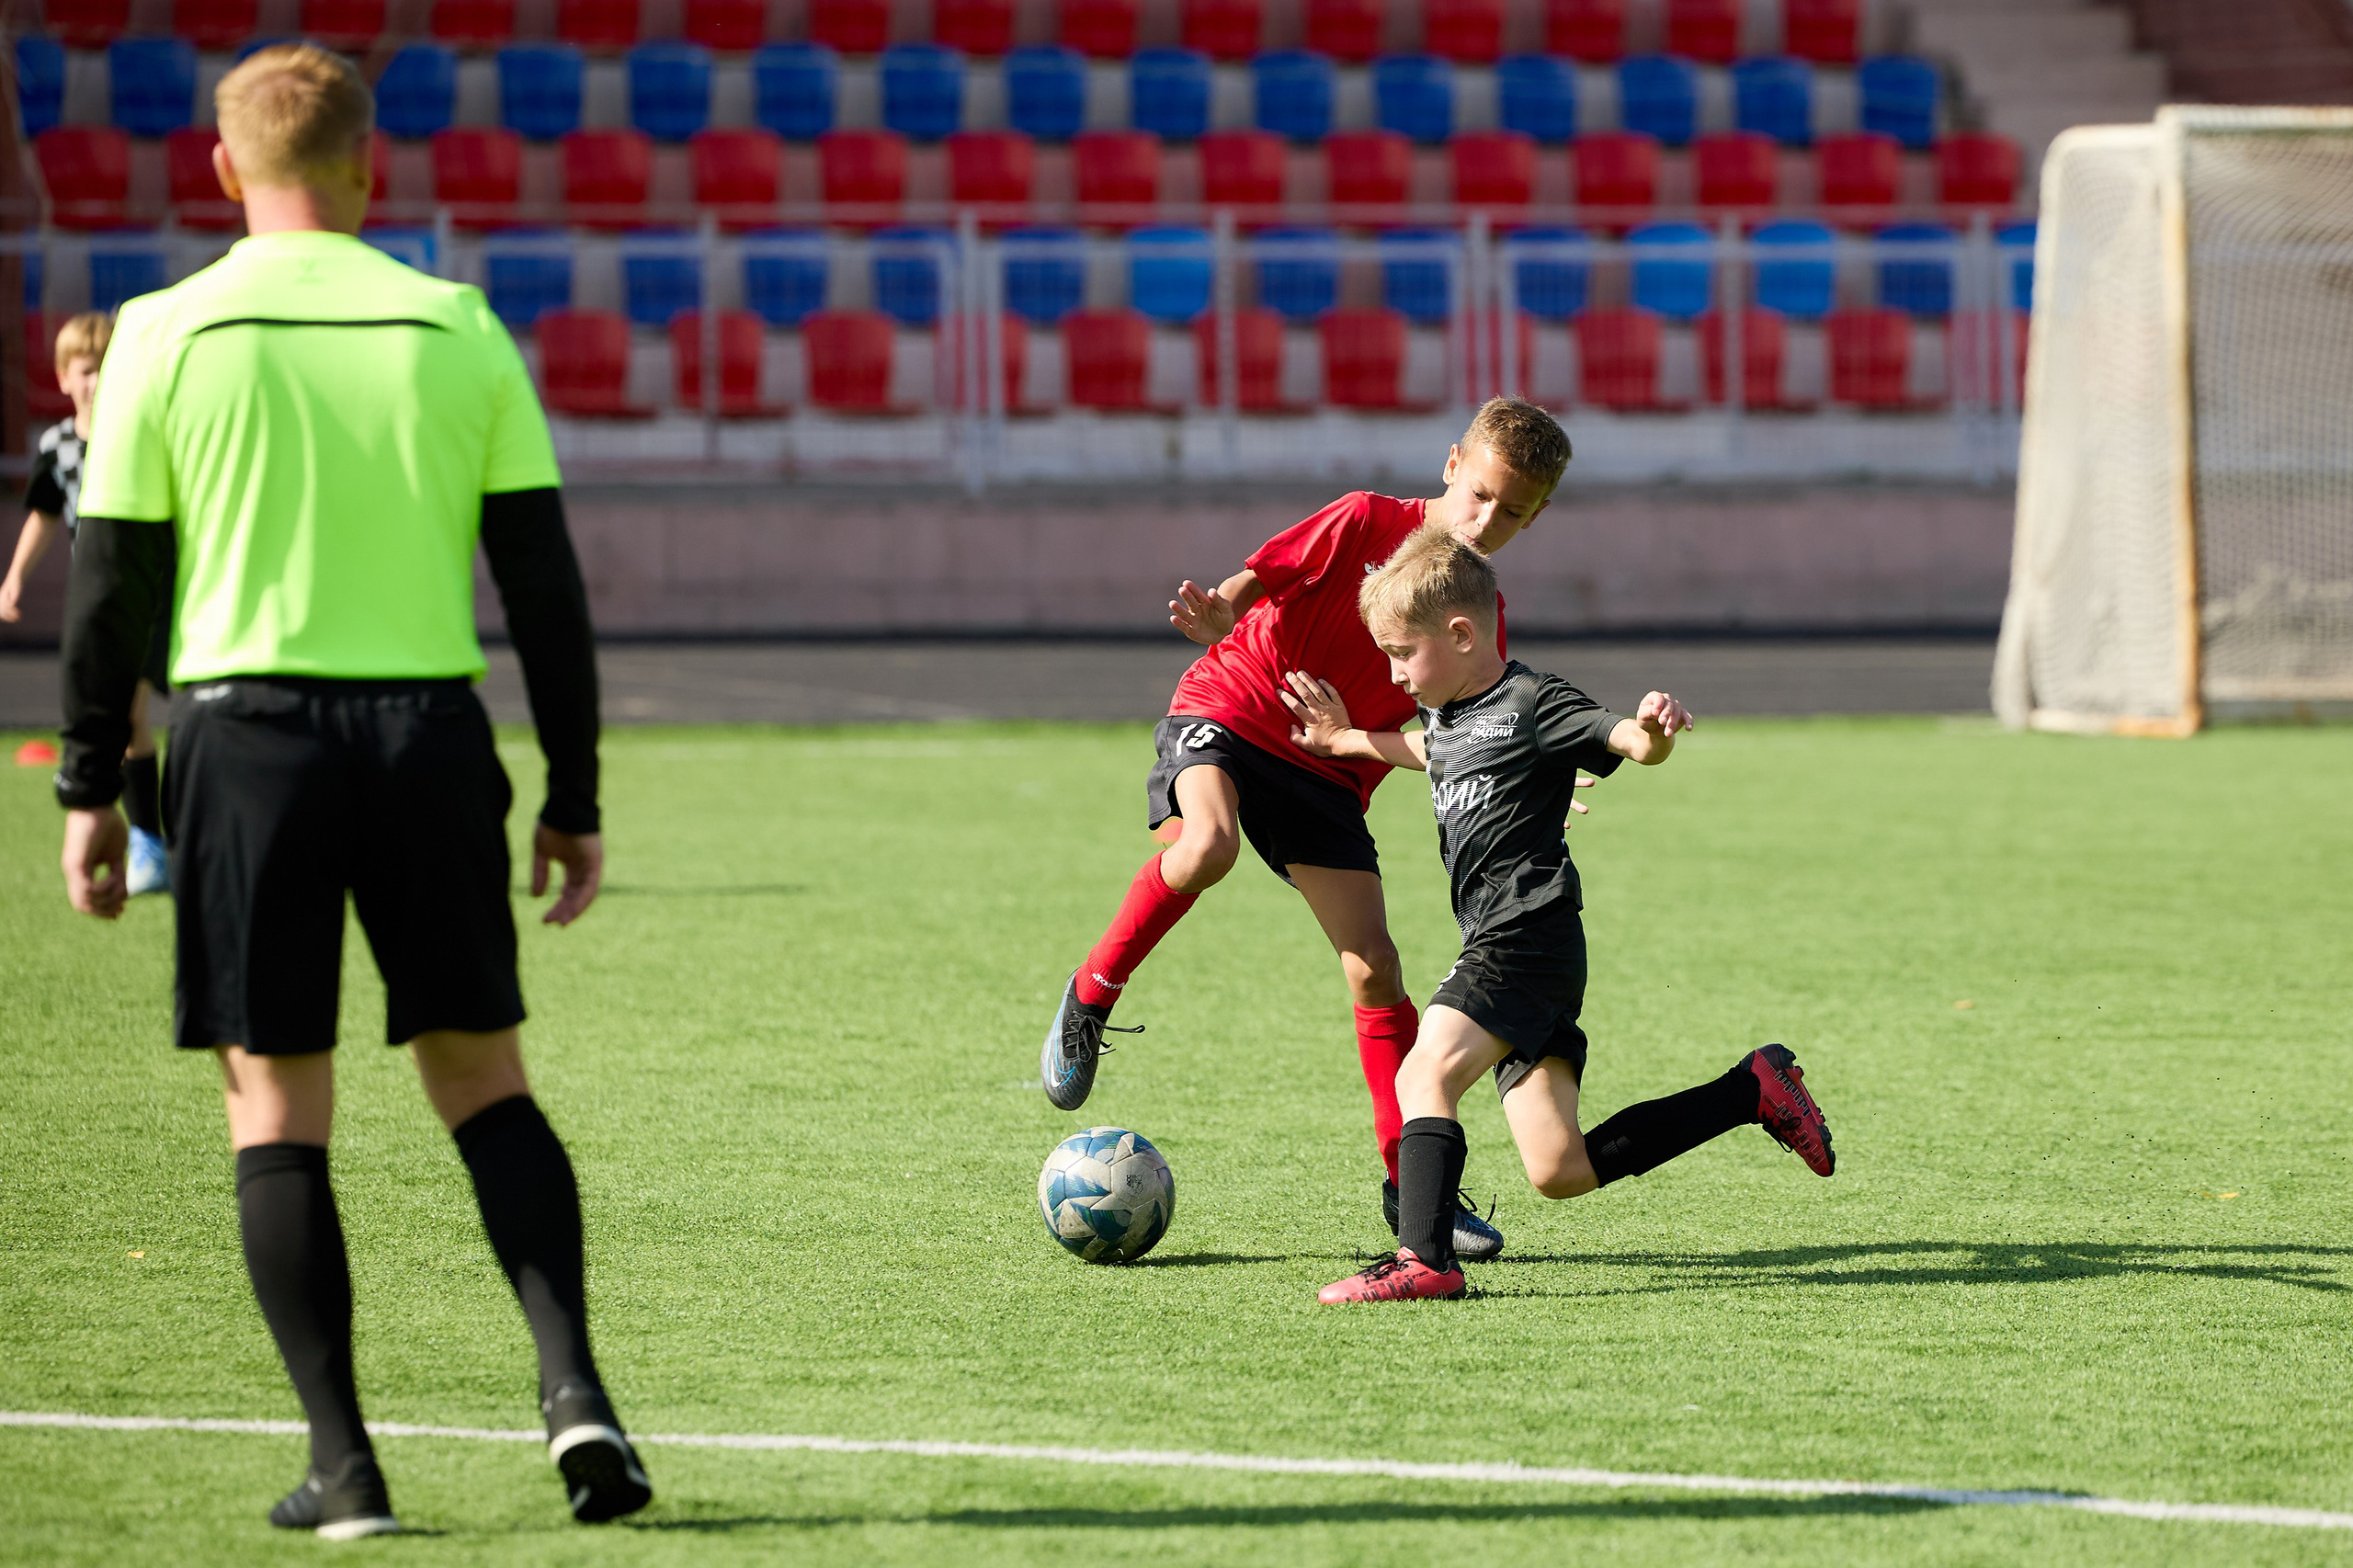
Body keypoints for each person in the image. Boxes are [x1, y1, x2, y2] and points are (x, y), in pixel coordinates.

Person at [53, 44, 649, 1536]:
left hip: (247, 750)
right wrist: (572, 793)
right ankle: (576, 1396)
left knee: (277, 1110)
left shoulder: (166, 336)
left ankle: (347, 1467)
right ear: (370, 167)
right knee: (483, 1080)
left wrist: (89, 787)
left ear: (219, 170)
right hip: (430, 742)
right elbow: (547, 595)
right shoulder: (456, 328)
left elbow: (109, 589)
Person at [1040, 397, 1574, 1264]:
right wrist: (1224, 612)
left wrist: (1519, 757)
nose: (1487, 520)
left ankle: (1412, 1184)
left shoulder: (1479, 617)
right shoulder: (1364, 519)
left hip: (1326, 770)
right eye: (1479, 494)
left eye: (1514, 511)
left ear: (1539, 512)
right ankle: (1093, 992)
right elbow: (1265, 575)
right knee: (1206, 846)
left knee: (1375, 966)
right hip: (1235, 703)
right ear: (1451, 465)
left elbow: (1446, 743)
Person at [1279, 525, 1836, 1304]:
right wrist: (1345, 740)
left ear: (1462, 634)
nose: (1395, 673)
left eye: (1403, 654)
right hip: (1527, 952)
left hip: (1523, 938)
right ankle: (1750, 1091)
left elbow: (1626, 742)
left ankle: (1424, 1260)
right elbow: (1430, 751)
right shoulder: (1447, 714)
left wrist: (1653, 728)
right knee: (1558, 1168)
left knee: (1424, 1070)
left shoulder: (1532, 702)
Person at [2, 312, 172, 895]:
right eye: (85, 370)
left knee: (128, 715)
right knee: (127, 719)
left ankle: (152, 839)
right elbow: (45, 516)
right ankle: (157, 840)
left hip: (150, 594)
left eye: (106, 368)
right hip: (99, 603)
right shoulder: (57, 447)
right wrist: (14, 579)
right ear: (62, 377)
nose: (97, 380)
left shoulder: (138, 435)